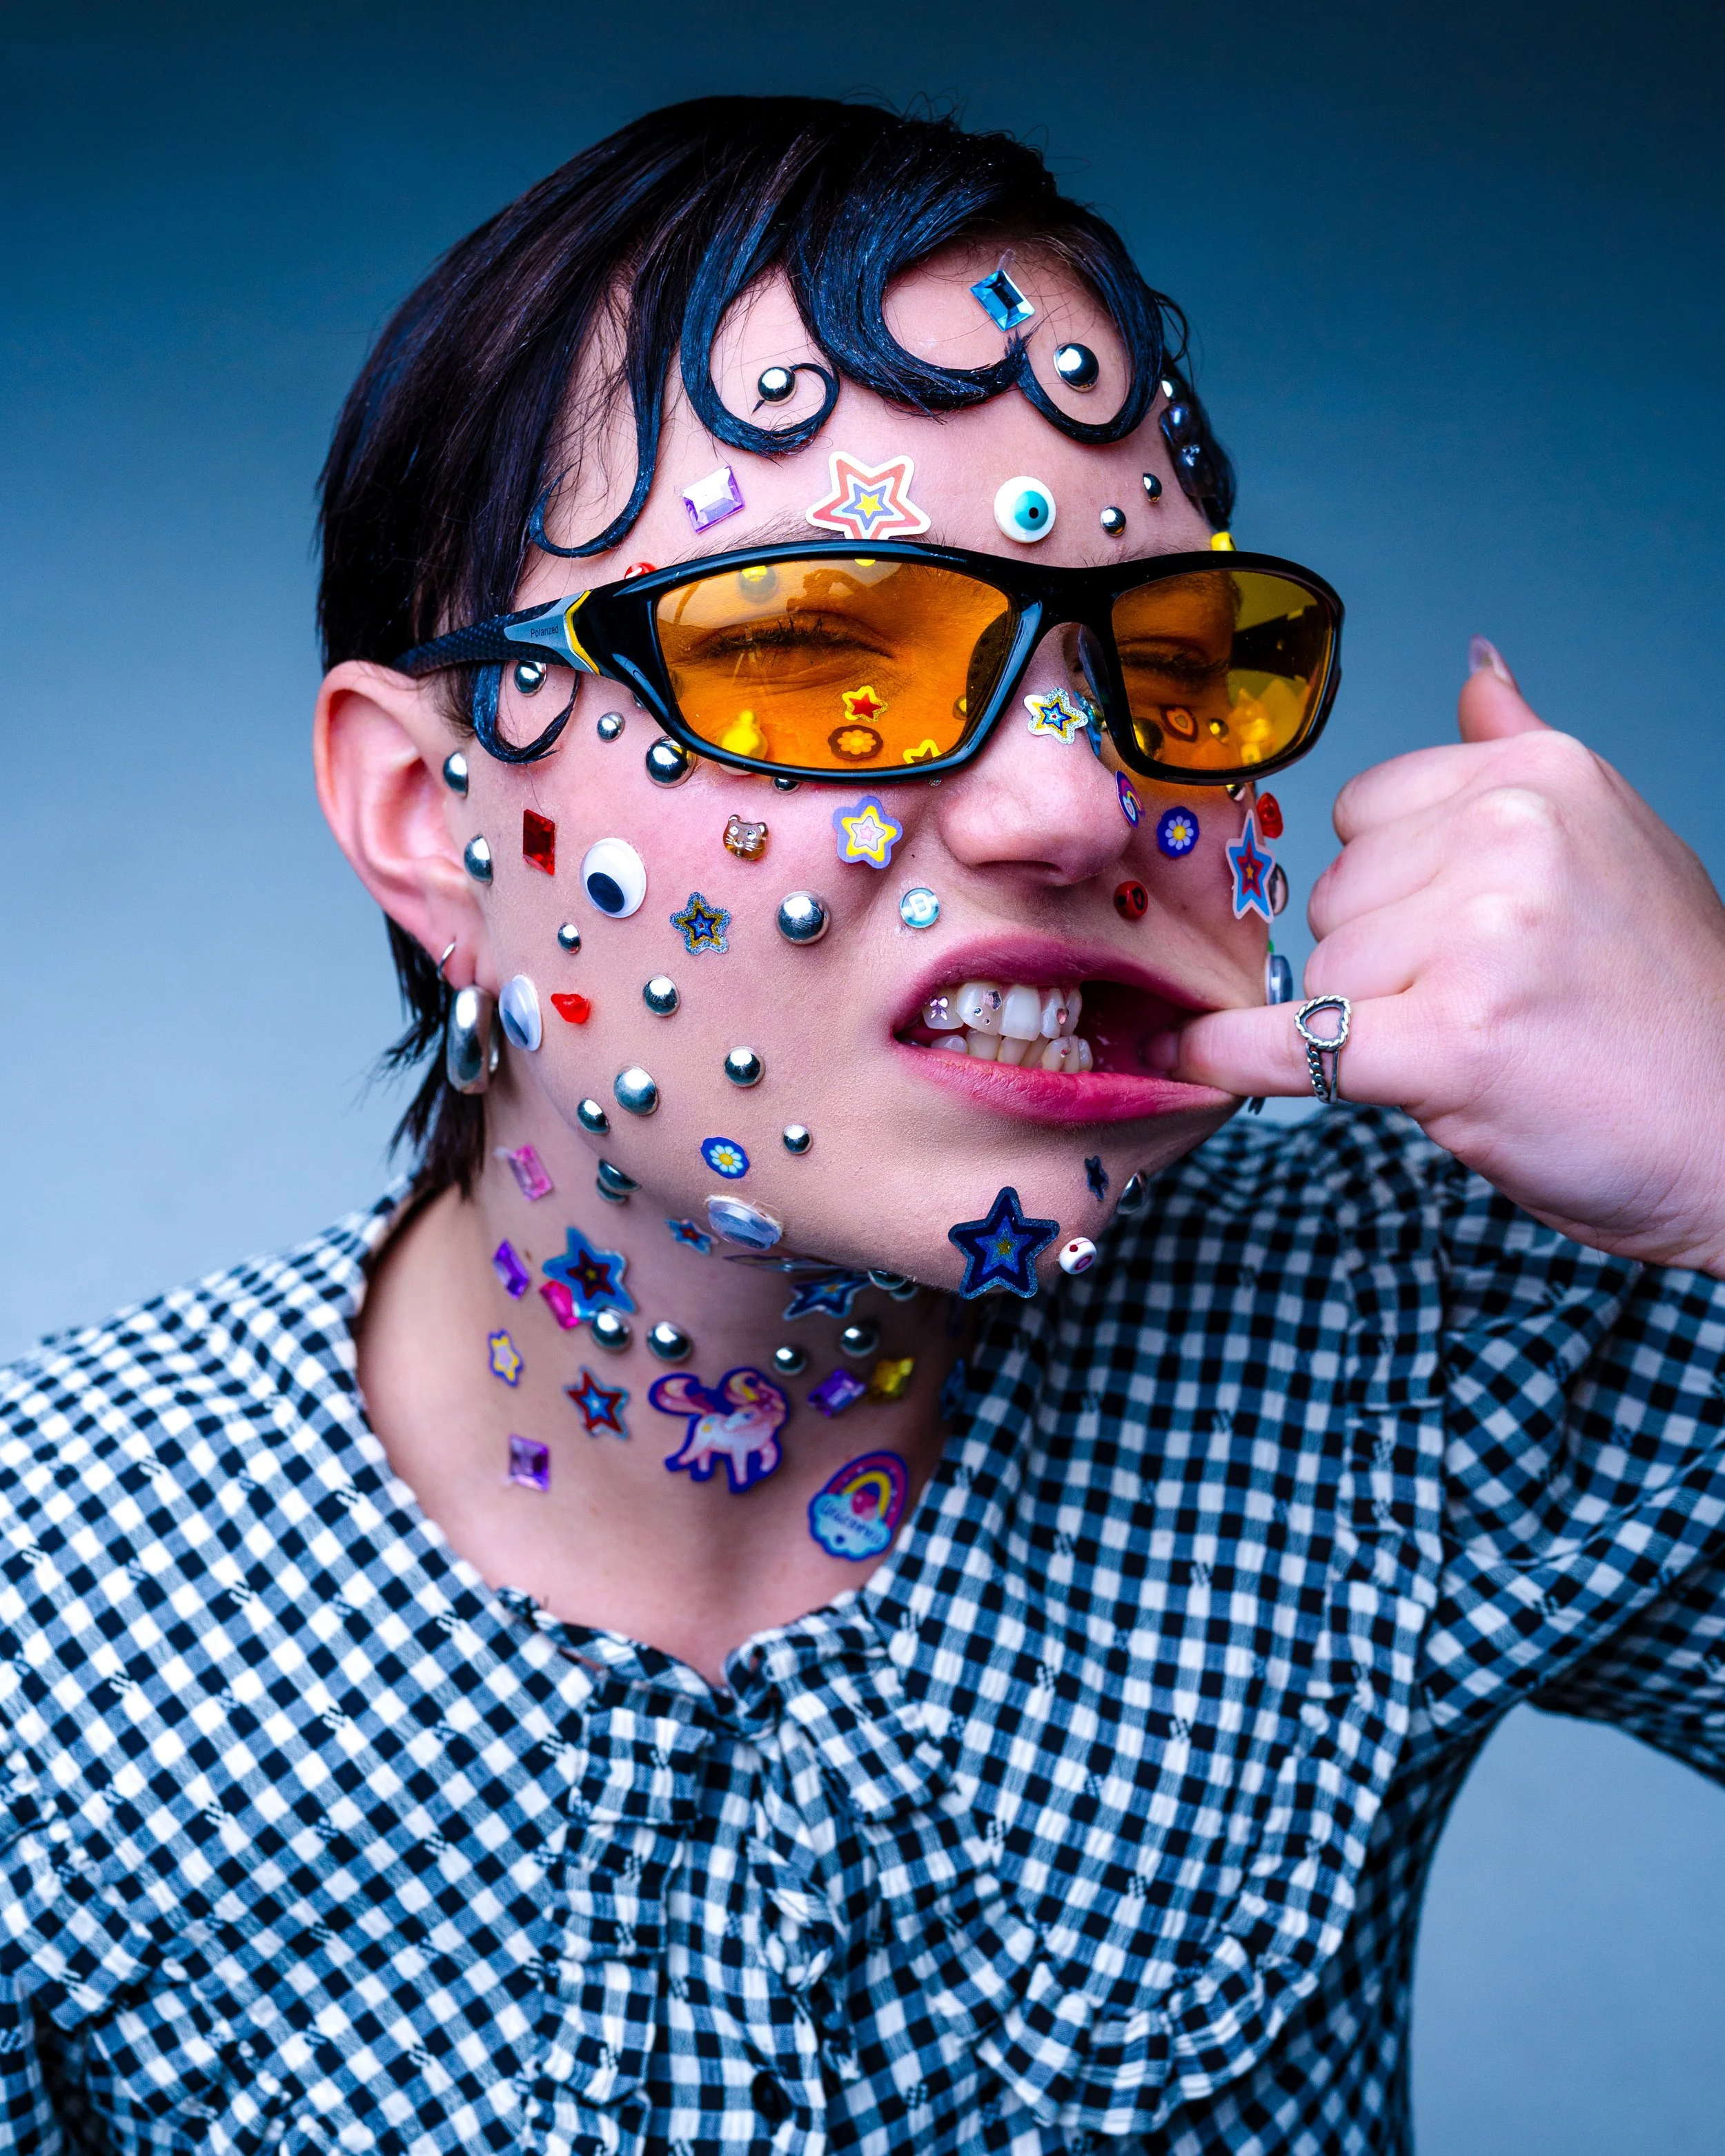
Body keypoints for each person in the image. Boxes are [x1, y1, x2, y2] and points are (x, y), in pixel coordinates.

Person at [2, 93, 1722, 2156]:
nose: (1074, 804)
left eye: (1170, 662)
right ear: (418, 814)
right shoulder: (47, 1633)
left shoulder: (1403, 1322)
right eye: (821, 647)